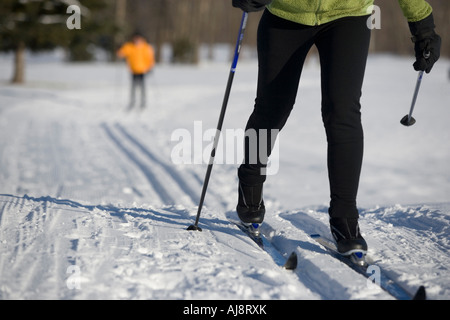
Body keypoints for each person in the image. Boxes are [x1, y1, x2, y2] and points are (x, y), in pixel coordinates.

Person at [232, 0, 441, 255]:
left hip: (349, 13)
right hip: (287, 12)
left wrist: (423, 24)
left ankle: (345, 219)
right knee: (272, 109)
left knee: (343, 113)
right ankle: (250, 184)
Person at [117, 32, 155, 109]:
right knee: (133, 87)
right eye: (135, 38)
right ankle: (132, 102)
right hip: (133, 70)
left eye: (138, 38)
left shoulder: (146, 47)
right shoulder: (129, 46)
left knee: (142, 87)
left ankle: (143, 102)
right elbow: (121, 53)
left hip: (142, 70)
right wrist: (119, 48)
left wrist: (149, 67)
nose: (137, 40)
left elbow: (150, 58)